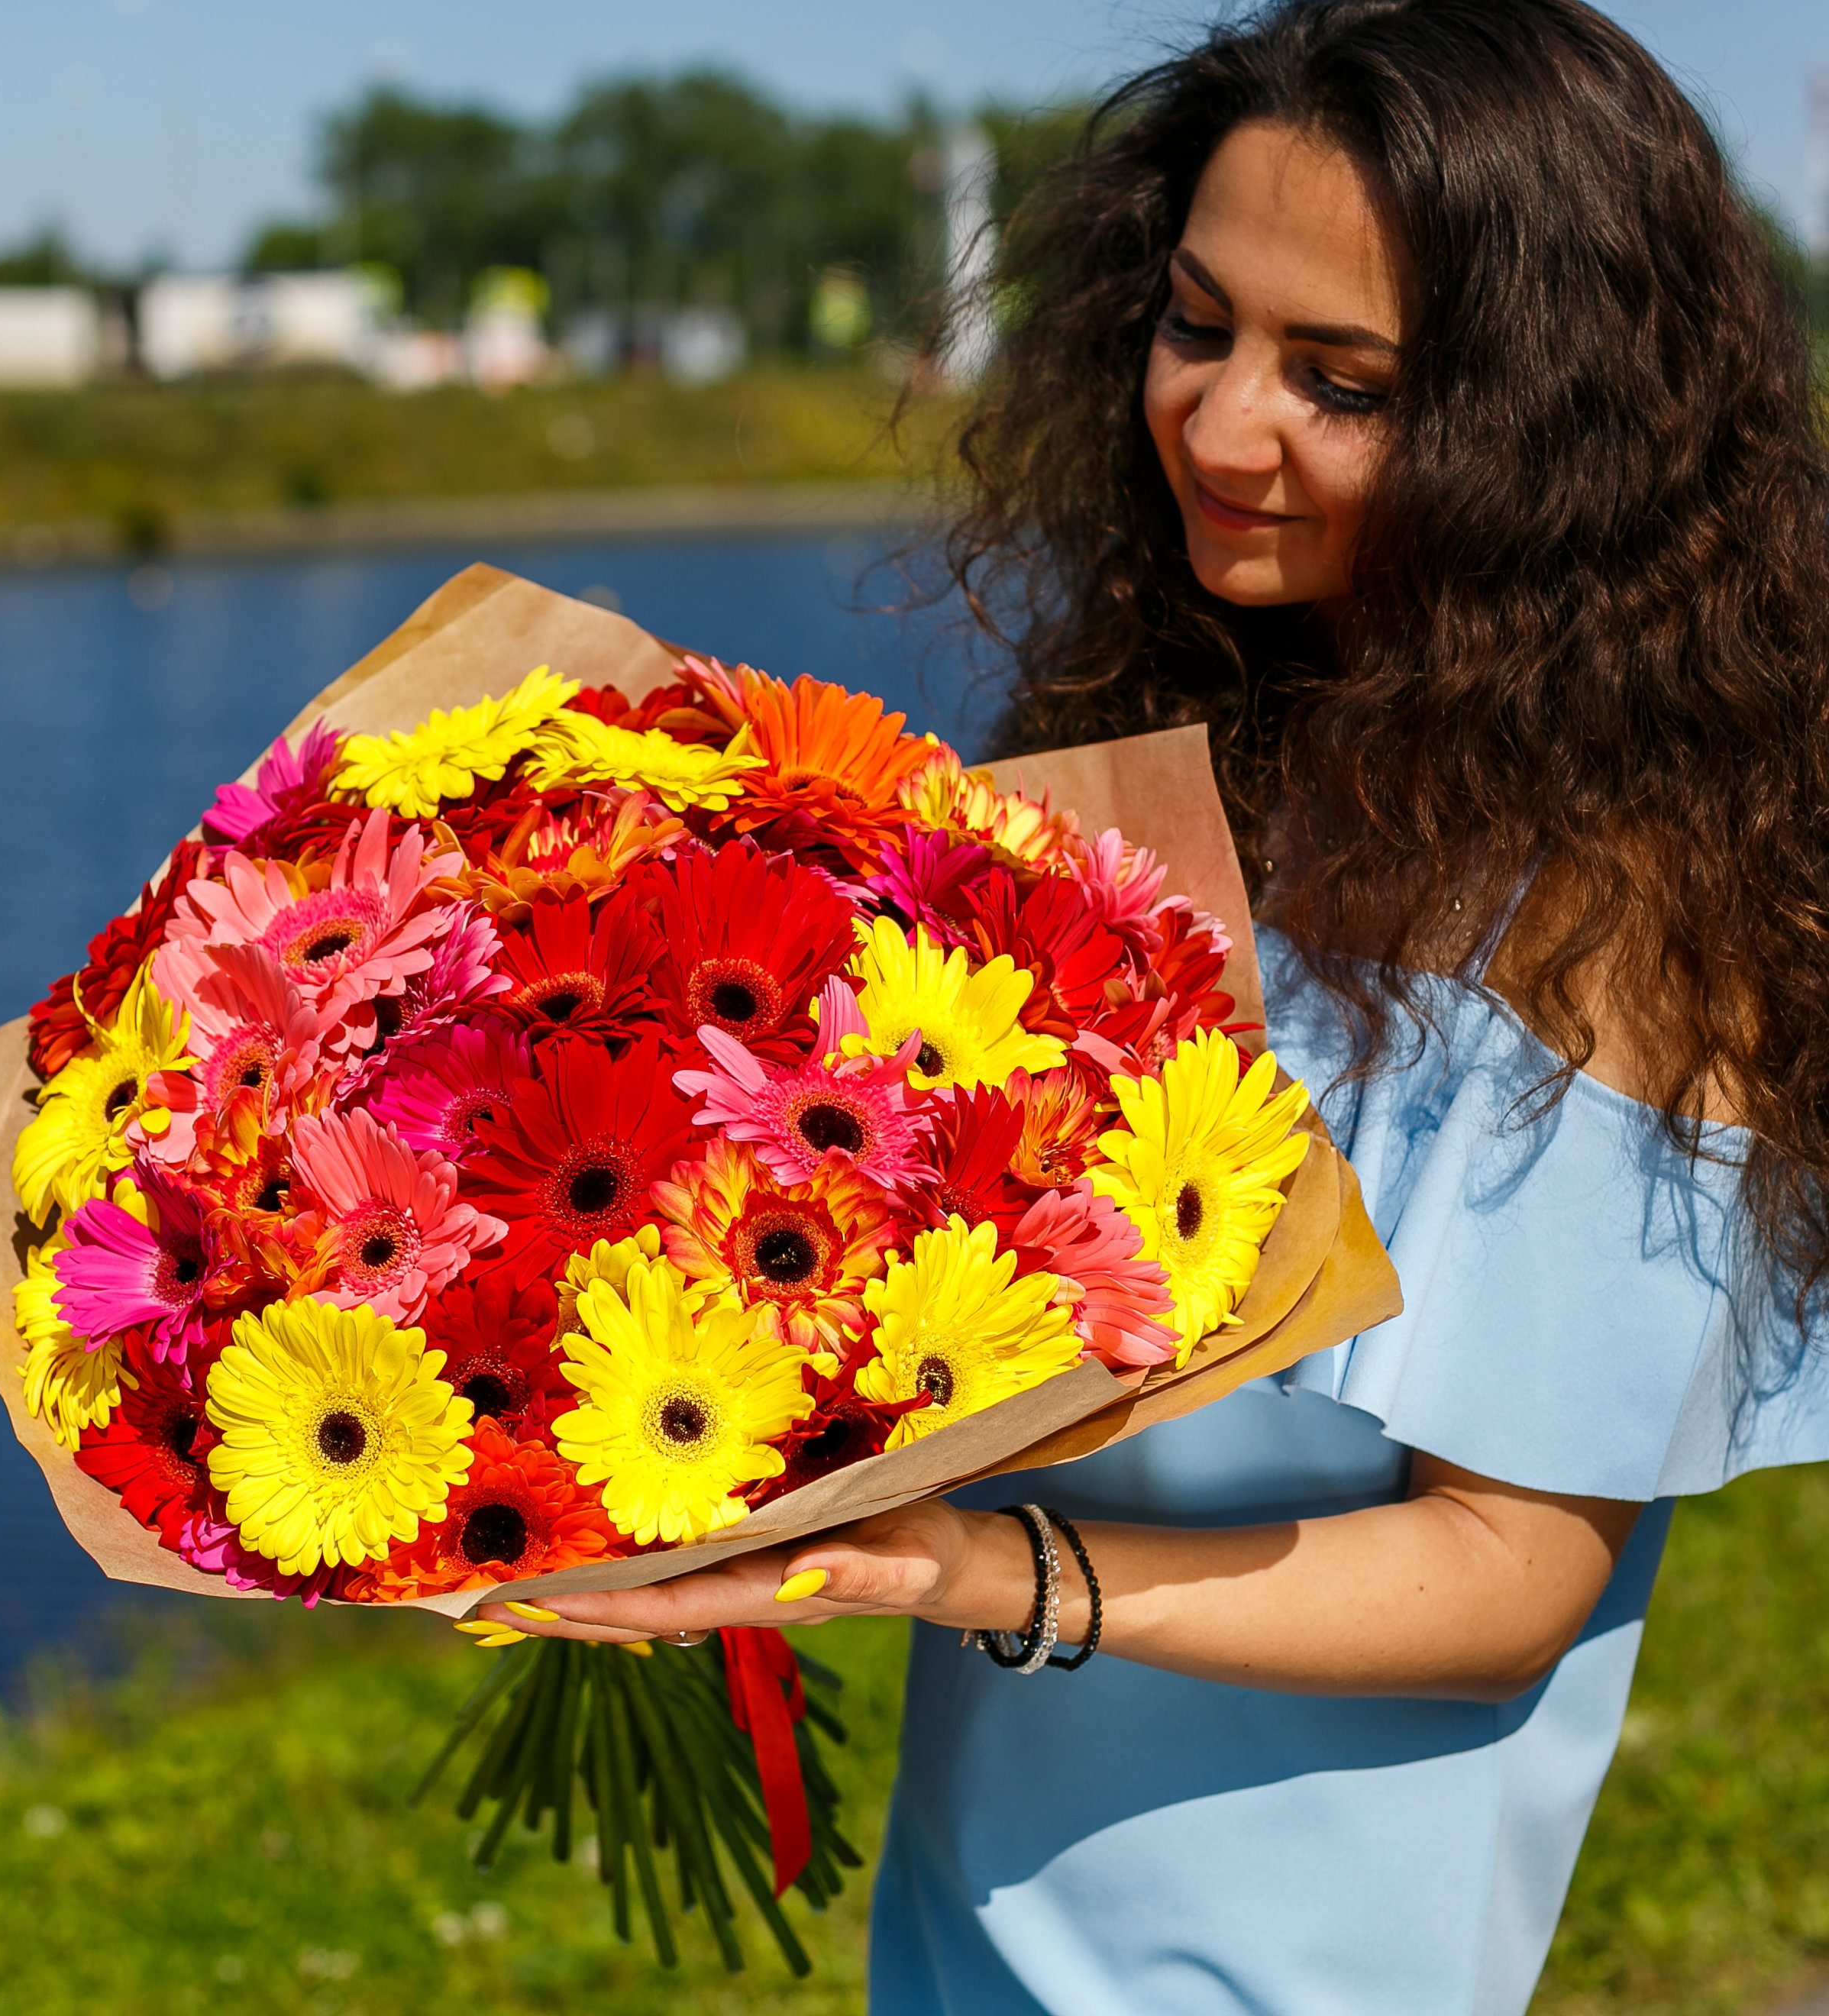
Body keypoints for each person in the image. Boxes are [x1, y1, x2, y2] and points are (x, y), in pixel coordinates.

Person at [478, 2, 1829, 2008]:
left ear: (1545, 435)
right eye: (1196, 325)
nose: (1213, 424)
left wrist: (967, 1575)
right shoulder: (1179, 756)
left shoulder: (1617, 922)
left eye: (1340, 382)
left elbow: (1504, 1581)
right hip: (975, 1920)